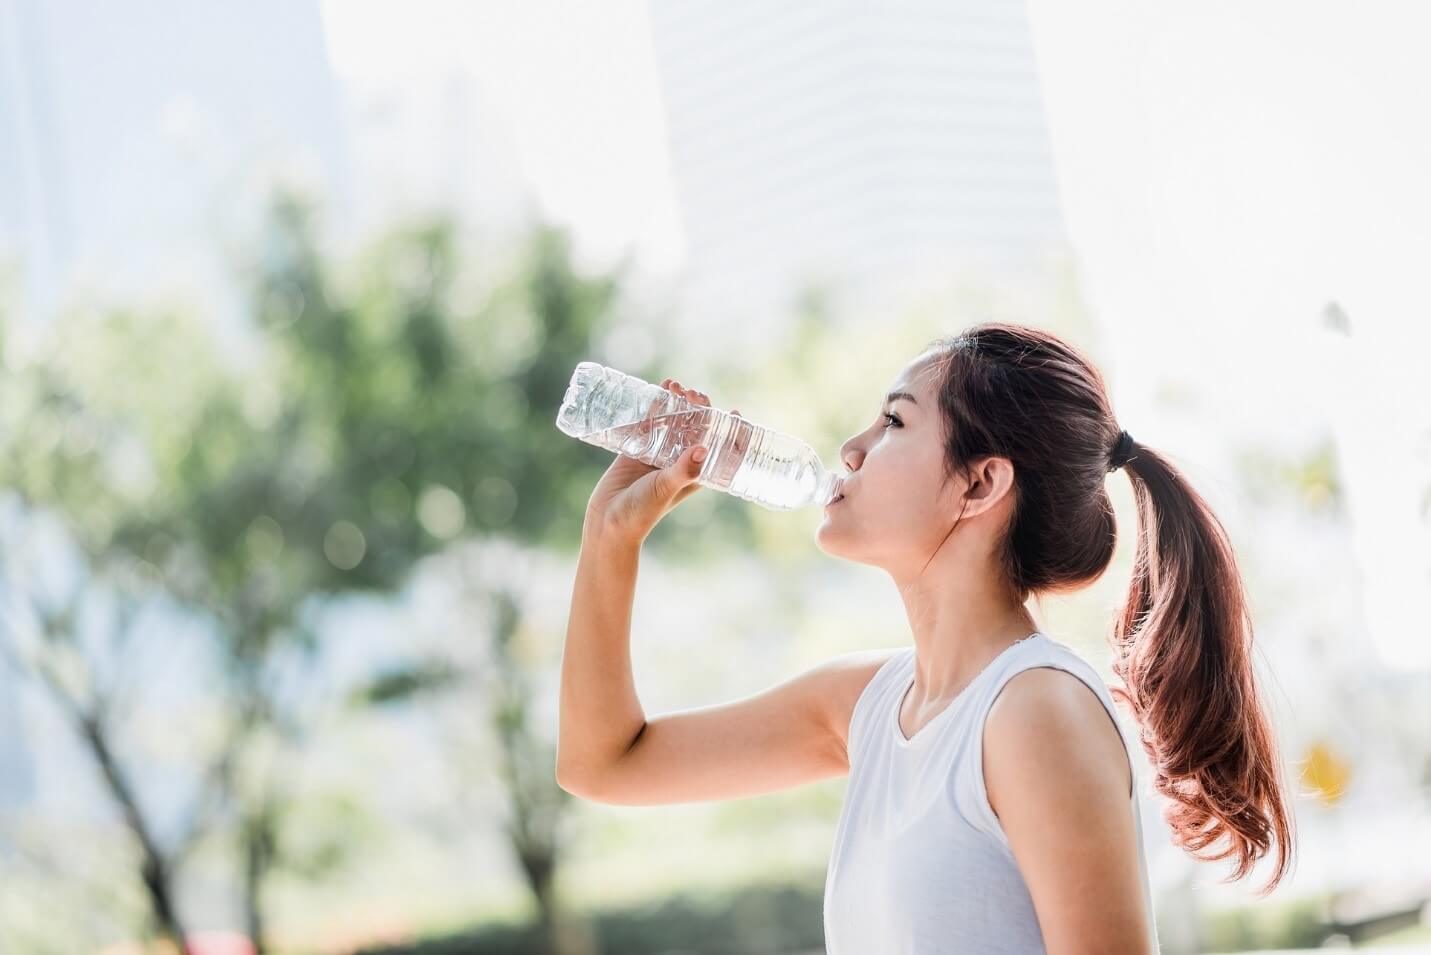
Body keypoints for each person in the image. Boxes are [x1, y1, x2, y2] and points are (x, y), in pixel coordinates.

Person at [557, 321, 1296, 954]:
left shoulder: (1035, 712)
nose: (850, 448)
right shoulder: (866, 705)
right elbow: (604, 763)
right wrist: (610, 536)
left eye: (894, 422)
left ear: (979, 484)